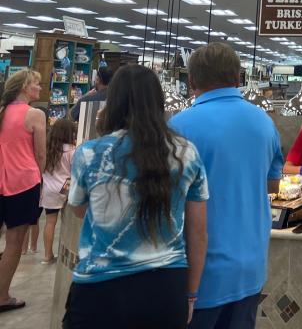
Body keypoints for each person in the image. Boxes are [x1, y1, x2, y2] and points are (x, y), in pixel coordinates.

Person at [63, 64, 208, 329]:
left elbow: (79, 208)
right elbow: (198, 233)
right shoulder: (187, 154)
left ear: (113, 102)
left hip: (100, 289)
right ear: (159, 102)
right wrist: (191, 294)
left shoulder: (90, 154)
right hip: (166, 289)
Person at [171, 42, 283, 328]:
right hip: (251, 269)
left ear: (192, 80)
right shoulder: (264, 122)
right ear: (238, 77)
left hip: (199, 276)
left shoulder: (178, 128)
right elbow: (272, 185)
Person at [0, 70, 45, 315]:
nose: (39, 87)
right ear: (26, 87)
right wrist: (41, 179)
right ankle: (2, 295)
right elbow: (40, 154)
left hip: (2, 179)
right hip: (23, 182)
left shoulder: (2, 112)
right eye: (36, 83)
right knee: (14, 242)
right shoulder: (34, 114)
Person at [40, 117, 76, 264]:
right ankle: (64, 252)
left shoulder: (46, 149)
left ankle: (47, 255)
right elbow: (74, 171)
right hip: (66, 189)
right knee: (67, 222)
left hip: (49, 190)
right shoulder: (72, 150)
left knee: (50, 223)